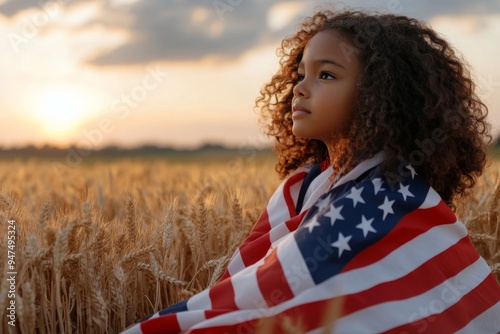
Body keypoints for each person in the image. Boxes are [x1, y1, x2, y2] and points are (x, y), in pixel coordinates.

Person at [123, 8, 500, 333]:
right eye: (301, 73)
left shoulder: (391, 197)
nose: (300, 89)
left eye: (327, 75)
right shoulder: (304, 186)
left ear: (378, 95)